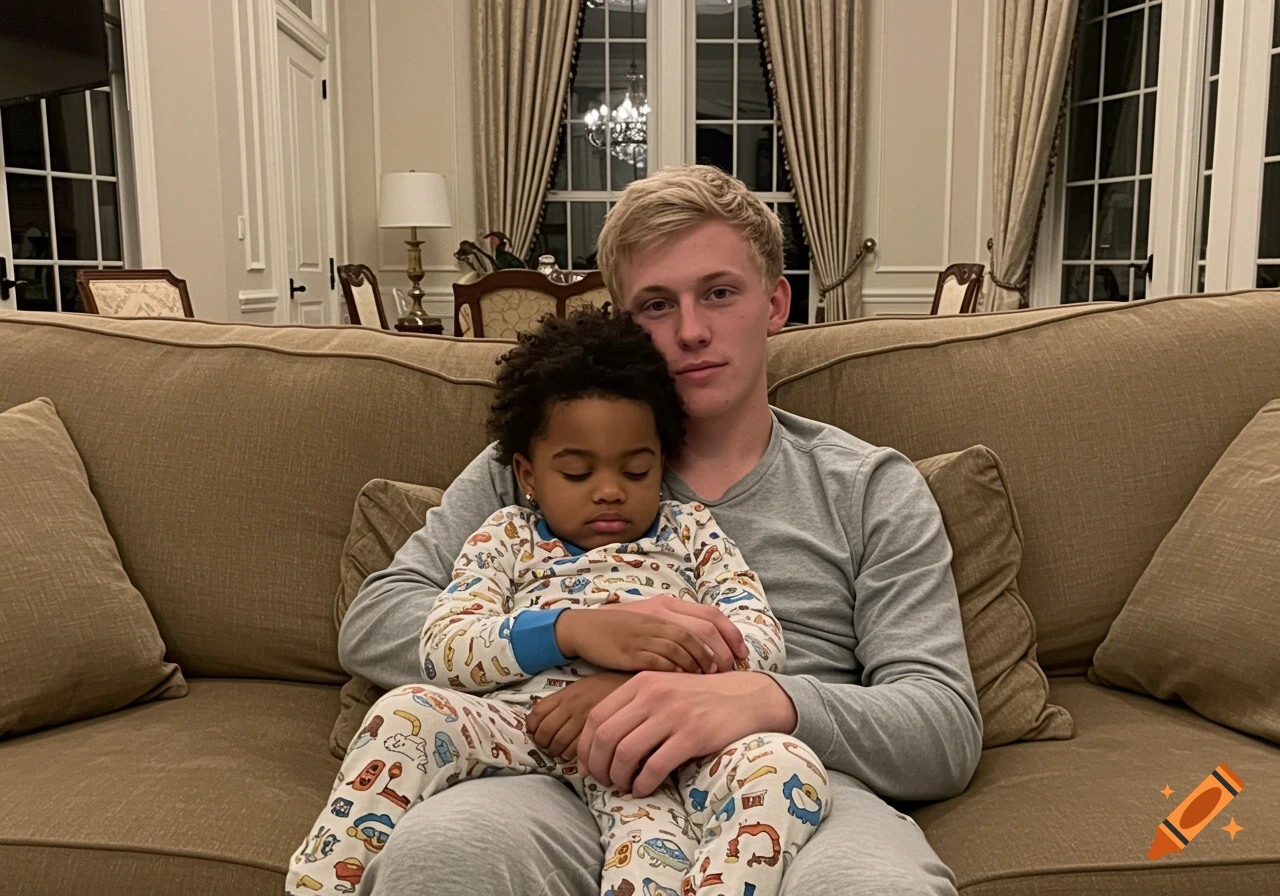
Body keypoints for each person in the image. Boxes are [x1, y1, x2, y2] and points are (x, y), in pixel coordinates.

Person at [338, 165, 983, 895]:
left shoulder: (868, 487)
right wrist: (571, 631)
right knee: (446, 852)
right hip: (552, 771)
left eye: (718, 292)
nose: (691, 331)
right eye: (655, 304)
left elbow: (942, 726)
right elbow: (375, 623)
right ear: (623, 322)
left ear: (774, 302)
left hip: (784, 775)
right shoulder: (546, 462)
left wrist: (758, 698)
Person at [288, 309, 828, 896]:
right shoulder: (505, 536)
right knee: (406, 711)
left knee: (785, 769)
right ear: (527, 473)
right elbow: (444, 646)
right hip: (522, 726)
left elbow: (760, 643)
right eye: (575, 472)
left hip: (657, 758)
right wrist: (570, 631)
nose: (609, 489)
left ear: (663, 462)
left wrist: (641, 682)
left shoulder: (693, 531)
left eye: (636, 469)